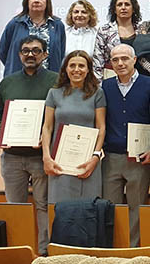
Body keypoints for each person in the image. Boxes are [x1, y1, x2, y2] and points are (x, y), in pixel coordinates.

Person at [0, 35, 58, 255]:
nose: (30, 54)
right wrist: (0, 133)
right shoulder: (8, 82)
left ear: (45, 55)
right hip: (12, 157)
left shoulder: (55, 81)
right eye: (26, 50)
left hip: (41, 157)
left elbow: (61, 115)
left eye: (36, 50)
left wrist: (48, 138)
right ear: (19, 55)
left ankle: (44, 253)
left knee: (43, 206)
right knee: (15, 206)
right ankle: (18, 250)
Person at [101, 44, 150, 247]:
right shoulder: (105, 86)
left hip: (139, 157)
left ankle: (132, 250)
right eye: (115, 60)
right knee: (111, 207)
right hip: (111, 157)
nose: (120, 63)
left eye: (125, 58)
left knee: (137, 207)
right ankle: (113, 249)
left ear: (134, 60)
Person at [41, 50, 107, 203]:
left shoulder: (98, 93)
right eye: (72, 65)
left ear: (88, 70)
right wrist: (46, 157)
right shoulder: (54, 93)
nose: (76, 69)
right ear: (65, 69)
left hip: (88, 161)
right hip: (59, 162)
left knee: (88, 209)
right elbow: (47, 127)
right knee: (60, 209)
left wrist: (95, 157)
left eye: (81, 66)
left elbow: (101, 128)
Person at [0, 0, 66, 77]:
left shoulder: (57, 25)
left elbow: (60, 54)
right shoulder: (15, 23)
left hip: (48, 80)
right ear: (27, 2)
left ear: (47, 2)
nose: (37, 0)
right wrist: (14, 66)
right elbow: (2, 51)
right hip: (19, 80)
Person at [94, 0, 141, 81]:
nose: (123, 7)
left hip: (138, 77)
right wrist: (98, 85)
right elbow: (98, 61)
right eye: (119, 5)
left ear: (133, 9)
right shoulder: (104, 30)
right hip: (111, 77)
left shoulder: (142, 29)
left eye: (127, 4)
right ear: (114, 9)